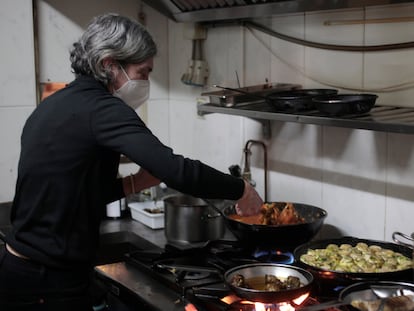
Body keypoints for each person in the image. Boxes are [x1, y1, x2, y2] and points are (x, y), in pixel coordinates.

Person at [0, 13, 263, 311]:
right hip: (47, 282)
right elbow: (176, 169)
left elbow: (80, 192)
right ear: (109, 64)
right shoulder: (103, 109)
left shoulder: (55, 104)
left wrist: (135, 183)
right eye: (143, 72)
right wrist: (241, 189)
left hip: (22, 272)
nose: (146, 82)